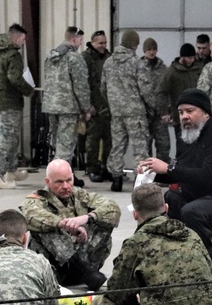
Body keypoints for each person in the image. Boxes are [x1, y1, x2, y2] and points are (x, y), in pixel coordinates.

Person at [138, 88, 212, 268]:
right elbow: (180, 174)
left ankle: (206, 272)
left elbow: (207, 176)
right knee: (166, 201)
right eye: (181, 112)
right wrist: (151, 171)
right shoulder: (186, 135)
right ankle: (168, 264)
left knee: (192, 212)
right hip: (197, 198)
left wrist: (168, 168)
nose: (184, 117)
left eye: (190, 111)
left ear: (205, 113)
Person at [20, 159, 121, 291]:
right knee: (45, 226)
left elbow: (113, 208)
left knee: (105, 218)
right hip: (54, 269)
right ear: (47, 182)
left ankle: (84, 270)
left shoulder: (79, 194)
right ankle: (83, 270)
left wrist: (87, 218)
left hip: (85, 262)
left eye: (69, 180)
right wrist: (64, 224)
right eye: (59, 182)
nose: (66, 186)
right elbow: (31, 214)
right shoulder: (38, 199)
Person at [0, 23, 35, 190]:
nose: (23, 43)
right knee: (5, 140)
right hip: (10, 103)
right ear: (15, 38)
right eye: (22, 39)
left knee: (11, 139)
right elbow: (15, 78)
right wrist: (29, 90)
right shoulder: (13, 55)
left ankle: (11, 172)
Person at [102, 29, 153, 192]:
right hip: (135, 112)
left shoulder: (108, 62)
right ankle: (141, 183)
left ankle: (116, 179)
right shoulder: (136, 62)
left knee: (117, 146)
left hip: (116, 112)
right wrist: (152, 106)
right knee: (139, 147)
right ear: (133, 44)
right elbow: (145, 89)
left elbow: (103, 87)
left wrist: (112, 103)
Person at [42, 26, 92, 174]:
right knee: (66, 146)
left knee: (57, 144)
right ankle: (59, 178)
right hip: (68, 107)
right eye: (80, 40)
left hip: (51, 105)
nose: (81, 43)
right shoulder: (74, 57)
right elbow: (81, 85)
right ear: (73, 39)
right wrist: (86, 108)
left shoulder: (50, 56)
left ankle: (65, 175)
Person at [156, 43, 203, 144]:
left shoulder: (199, 69)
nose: (191, 60)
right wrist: (164, 112)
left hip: (198, 116)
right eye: (188, 58)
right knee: (182, 146)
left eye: (192, 57)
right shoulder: (172, 71)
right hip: (180, 117)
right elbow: (162, 92)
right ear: (182, 57)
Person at [82, 30, 113, 182]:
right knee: (93, 139)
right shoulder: (86, 58)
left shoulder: (109, 57)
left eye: (105, 43)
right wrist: (88, 105)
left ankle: (106, 167)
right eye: (100, 43)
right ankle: (92, 168)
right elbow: (84, 84)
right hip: (94, 105)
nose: (103, 46)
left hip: (108, 106)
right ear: (92, 43)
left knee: (109, 139)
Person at [139, 37, 170, 161]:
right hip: (144, 114)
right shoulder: (138, 67)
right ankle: (146, 174)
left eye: (154, 49)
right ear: (144, 51)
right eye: (149, 50)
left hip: (159, 114)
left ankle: (162, 173)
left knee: (163, 145)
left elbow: (167, 90)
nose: (152, 52)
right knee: (144, 147)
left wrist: (166, 110)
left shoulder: (163, 68)